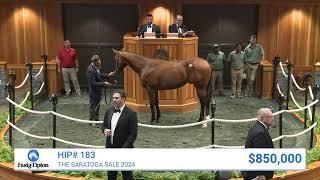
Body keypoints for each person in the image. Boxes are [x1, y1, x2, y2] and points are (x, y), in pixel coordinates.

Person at [101, 90, 138, 180]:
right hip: (110, 149)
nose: (114, 100)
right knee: (111, 175)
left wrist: (123, 149)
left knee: (127, 176)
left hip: (125, 150)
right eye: (113, 98)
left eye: (116, 98)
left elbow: (133, 135)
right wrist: (105, 130)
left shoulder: (131, 114)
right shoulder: (109, 111)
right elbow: (104, 125)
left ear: (123, 99)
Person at [242, 108, 274, 180]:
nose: (273, 118)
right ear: (263, 118)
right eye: (270, 116)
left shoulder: (257, 128)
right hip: (255, 175)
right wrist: (260, 174)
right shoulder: (260, 132)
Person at [87, 55, 114, 127]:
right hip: (94, 92)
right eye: (98, 63)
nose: (100, 64)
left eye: (100, 62)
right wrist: (104, 83)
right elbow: (93, 83)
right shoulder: (90, 70)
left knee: (97, 106)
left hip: (98, 91)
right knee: (93, 107)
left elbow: (99, 75)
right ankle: (92, 122)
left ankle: (96, 120)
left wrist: (108, 75)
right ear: (94, 62)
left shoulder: (95, 67)